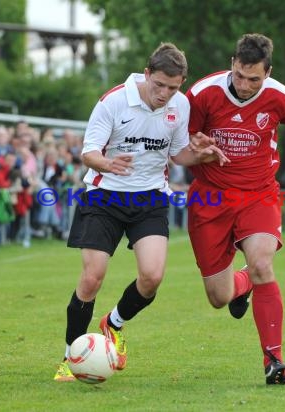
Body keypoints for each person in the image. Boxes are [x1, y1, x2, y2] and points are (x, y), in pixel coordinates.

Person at [54, 43, 228, 381]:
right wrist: (108, 163)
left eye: (173, 87)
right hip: (104, 196)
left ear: (181, 84)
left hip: (149, 198)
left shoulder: (180, 106)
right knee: (92, 278)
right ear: (146, 74)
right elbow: (89, 153)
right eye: (159, 84)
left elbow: (178, 155)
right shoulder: (114, 101)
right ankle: (69, 356)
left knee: (152, 277)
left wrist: (206, 155)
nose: (164, 94)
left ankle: (113, 323)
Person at [185, 33, 285, 385]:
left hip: (258, 195)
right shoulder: (202, 93)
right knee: (219, 297)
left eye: (254, 79)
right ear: (233, 63)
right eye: (239, 75)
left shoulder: (282, 98)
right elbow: (180, 147)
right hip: (210, 198)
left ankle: (274, 361)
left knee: (263, 263)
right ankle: (243, 282)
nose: (246, 85)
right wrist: (199, 150)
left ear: (268, 73)